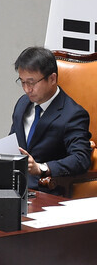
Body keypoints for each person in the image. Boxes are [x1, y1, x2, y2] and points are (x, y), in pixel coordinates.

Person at [10, 46, 92, 191]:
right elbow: (13, 143)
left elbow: (81, 158)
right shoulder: (22, 103)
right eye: (22, 82)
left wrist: (42, 168)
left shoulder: (73, 114)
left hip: (43, 189)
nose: (27, 89)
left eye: (32, 82)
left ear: (52, 78)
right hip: (11, 185)